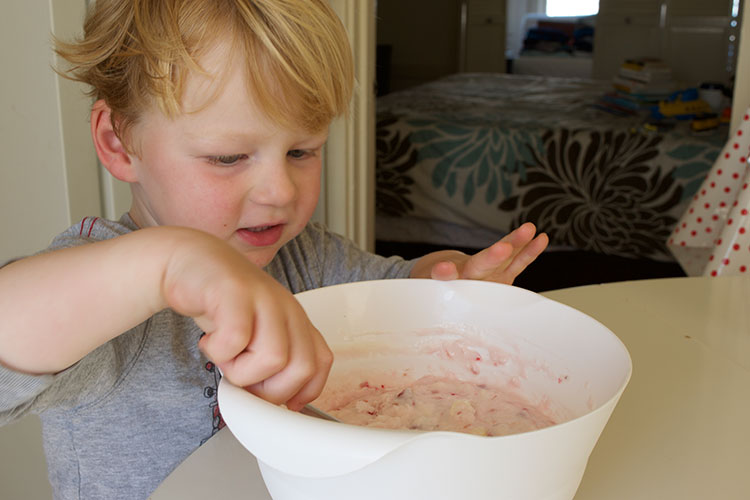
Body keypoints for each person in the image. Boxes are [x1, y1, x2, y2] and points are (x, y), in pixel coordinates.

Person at [0, 0, 548, 498]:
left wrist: (444, 283)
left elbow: (393, 292)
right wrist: (168, 263)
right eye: (227, 157)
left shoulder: (304, 257)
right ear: (119, 142)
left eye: (302, 151)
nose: (280, 191)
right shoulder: (101, 290)